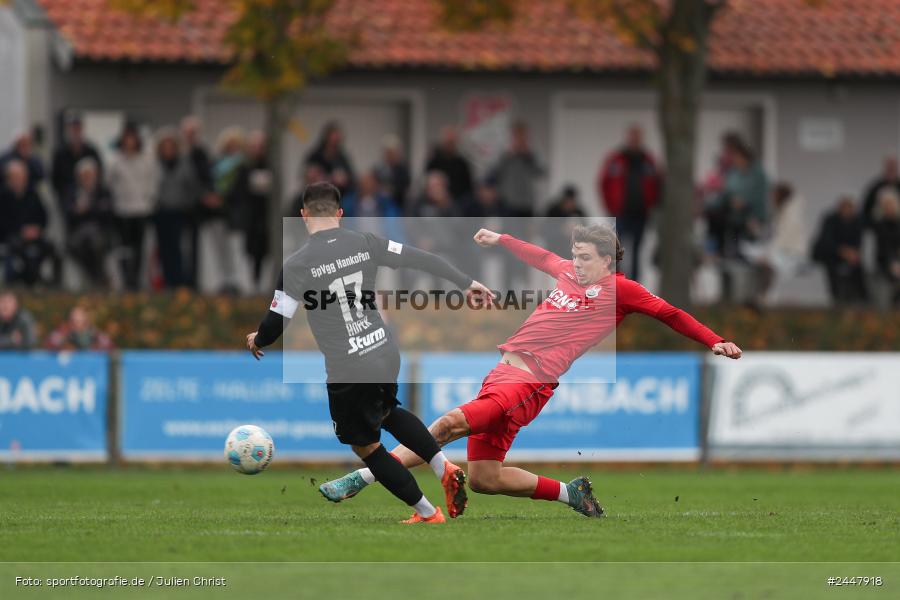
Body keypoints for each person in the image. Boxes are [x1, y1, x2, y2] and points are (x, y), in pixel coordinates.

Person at [320, 223, 742, 517]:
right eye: (574, 256)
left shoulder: (621, 290)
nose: (575, 264)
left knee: (448, 425)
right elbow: (539, 256)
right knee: (485, 479)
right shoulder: (566, 273)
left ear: (607, 261)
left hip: (531, 381)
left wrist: (714, 340)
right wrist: (500, 238)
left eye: (585, 258)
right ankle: (569, 493)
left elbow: (670, 314)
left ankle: (364, 476)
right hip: (504, 373)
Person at [246, 181, 492, 524]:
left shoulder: (298, 264)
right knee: (388, 412)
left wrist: (258, 338)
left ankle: (427, 512)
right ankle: (443, 467)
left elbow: (275, 326)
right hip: (382, 346)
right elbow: (422, 259)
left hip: (348, 366)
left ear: (303, 216)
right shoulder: (365, 242)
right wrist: (466, 283)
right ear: (340, 213)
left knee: (366, 447)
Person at [598, 125, 661, 281]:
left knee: (637, 251)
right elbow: (604, 183)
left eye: (637, 136)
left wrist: (651, 206)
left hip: (640, 214)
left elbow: (657, 184)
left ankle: (634, 284)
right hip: (620, 213)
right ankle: (616, 283)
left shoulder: (647, 160)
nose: (634, 140)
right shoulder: (616, 159)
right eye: (632, 136)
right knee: (616, 250)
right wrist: (610, 207)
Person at [107, 123, 156, 290]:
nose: (130, 142)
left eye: (132, 138)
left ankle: (137, 280)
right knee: (125, 249)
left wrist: (147, 200)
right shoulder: (115, 160)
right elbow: (110, 183)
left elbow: (150, 182)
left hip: (141, 210)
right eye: (126, 139)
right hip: (122, 211)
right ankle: (126, 279)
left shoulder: (145, 159)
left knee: (140, 248)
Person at [153, 127, 200, 289]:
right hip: (161, 212)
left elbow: (192, 186)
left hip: (180, 212)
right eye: (164, 147)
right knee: (165, 248)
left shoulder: (185, 163)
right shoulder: (156, 165)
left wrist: (188, 204)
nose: (167, 150)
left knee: (182, 248)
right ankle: (168, 280)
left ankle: (183, 280)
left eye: (170, 146)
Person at [746, 183, 808, 306]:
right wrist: (758, 231)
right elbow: (772, 235)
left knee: (767, 265)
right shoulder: (782, 212)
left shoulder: (791, 214)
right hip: (782, 251)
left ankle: (764, 298)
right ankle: (761, 296)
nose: (771, 199)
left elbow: (783, 239)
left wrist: (768, 254)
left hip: (791, 254)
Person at [1, 160, 56, 286]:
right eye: (15, 177)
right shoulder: (3, 196)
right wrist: (21, 231)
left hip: (34, 235)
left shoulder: (33, 194)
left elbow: (44, 216)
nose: (19, 180)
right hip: (11, 236)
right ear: (8, 178)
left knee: (50, 248)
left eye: (21, 177)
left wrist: (37, 229)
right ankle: (17, 281)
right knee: (18, 250)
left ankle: (50, 282)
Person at [228, 131, 271, 290]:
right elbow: (236, 193)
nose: (257, 150)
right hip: (248, 218)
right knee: (247, 252)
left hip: (265, 216)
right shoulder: (244, 168)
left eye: (261, 147)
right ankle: (248, 285)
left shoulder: (270, 167)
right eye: (254, 147)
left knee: (264, 253)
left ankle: (262, 284)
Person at [63, 157, 114, 287]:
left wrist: (87, 210)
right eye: (83, 175)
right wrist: (79, 211)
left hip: (100, 231)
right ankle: (96, 277)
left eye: (89, 174)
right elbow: (68, 213)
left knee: (96, 245)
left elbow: (107, 213)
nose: (87, 177)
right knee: (77, 246)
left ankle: (96, 278)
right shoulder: (72, 191)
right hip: (78, 232)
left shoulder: (103, 191)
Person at [812, 196, 868, 305]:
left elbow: (859, 241)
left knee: (858, 269)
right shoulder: (830, 220)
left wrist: (853, 253)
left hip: (850, 256)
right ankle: (837, 297)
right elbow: (826, 241)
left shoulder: (857, 221)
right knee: (832, 271)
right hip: (830, 255)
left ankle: (861, 298)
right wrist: (842, 251)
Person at [489, 120, 544, 220]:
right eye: (517, 135)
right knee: (509, 233)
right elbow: (494, 172)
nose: (520, 138)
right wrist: (508, 156)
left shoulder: (532, 153)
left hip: (527, 202)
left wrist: (528, 156)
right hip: (508, 202)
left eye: (522, 135)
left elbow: (541, 172)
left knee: (524, 233)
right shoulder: (504, 152)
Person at [51, 113, 103, 209]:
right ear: (69, 130)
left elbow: (100, 174)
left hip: (91, 199)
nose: (76, 132)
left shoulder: (91, 151)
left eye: (78, 128)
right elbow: (55, 179)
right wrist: (66, 196)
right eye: (73, 128)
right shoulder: (60, 153)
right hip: (68, 199)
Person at [304, 122, 355, 196]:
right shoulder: (315, 156)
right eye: (333, 137)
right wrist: (329, 178)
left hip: (339, 195)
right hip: (317, 195)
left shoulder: (342, 157)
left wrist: (344, 179)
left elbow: (351, 177)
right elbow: (308, 175)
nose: (335, 141)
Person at [425, 126, 473, 203]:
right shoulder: (434, 161)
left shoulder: (462, 163)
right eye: (448, 141)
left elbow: (468, 188)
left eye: (452, 142)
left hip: (458, 201)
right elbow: (426, 181)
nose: (450, 145)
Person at [872, 190, 900, 308]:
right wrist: (893, 260)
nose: (889, 207)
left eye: (891, 204)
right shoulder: (878, 224)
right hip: (885, 264)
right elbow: (882, 248)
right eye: (886, 205)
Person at [543, 184, 586, 259]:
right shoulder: (553, 211)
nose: (569, 204)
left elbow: (584, 232)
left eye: (571, 201)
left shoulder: (579, 213)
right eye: (567, 201)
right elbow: (544, 229)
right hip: (554, 247)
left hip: (571, 249)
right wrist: (561, 230)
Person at [45, 305, 113, 351]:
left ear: (86, 322)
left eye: (80, 322)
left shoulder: (94, 333)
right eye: (73, 321)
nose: (77, 325)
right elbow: (49, 344)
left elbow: (110, 346)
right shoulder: (63, 331)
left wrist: (96, 348)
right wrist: (63, 344)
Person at [373, 134, 411, 212]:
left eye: (392, 153)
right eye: (387, 153)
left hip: (397, 203)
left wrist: (391, 190)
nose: (389, 155)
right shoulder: (379, 168)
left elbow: (404, 188)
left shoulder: (403, 170)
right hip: (379, 202)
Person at [861, 156, 900, 228]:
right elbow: (866, 209)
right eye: (889, 166)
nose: (891, 169)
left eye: (893, 166)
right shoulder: (875, 187)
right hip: (879, 229)